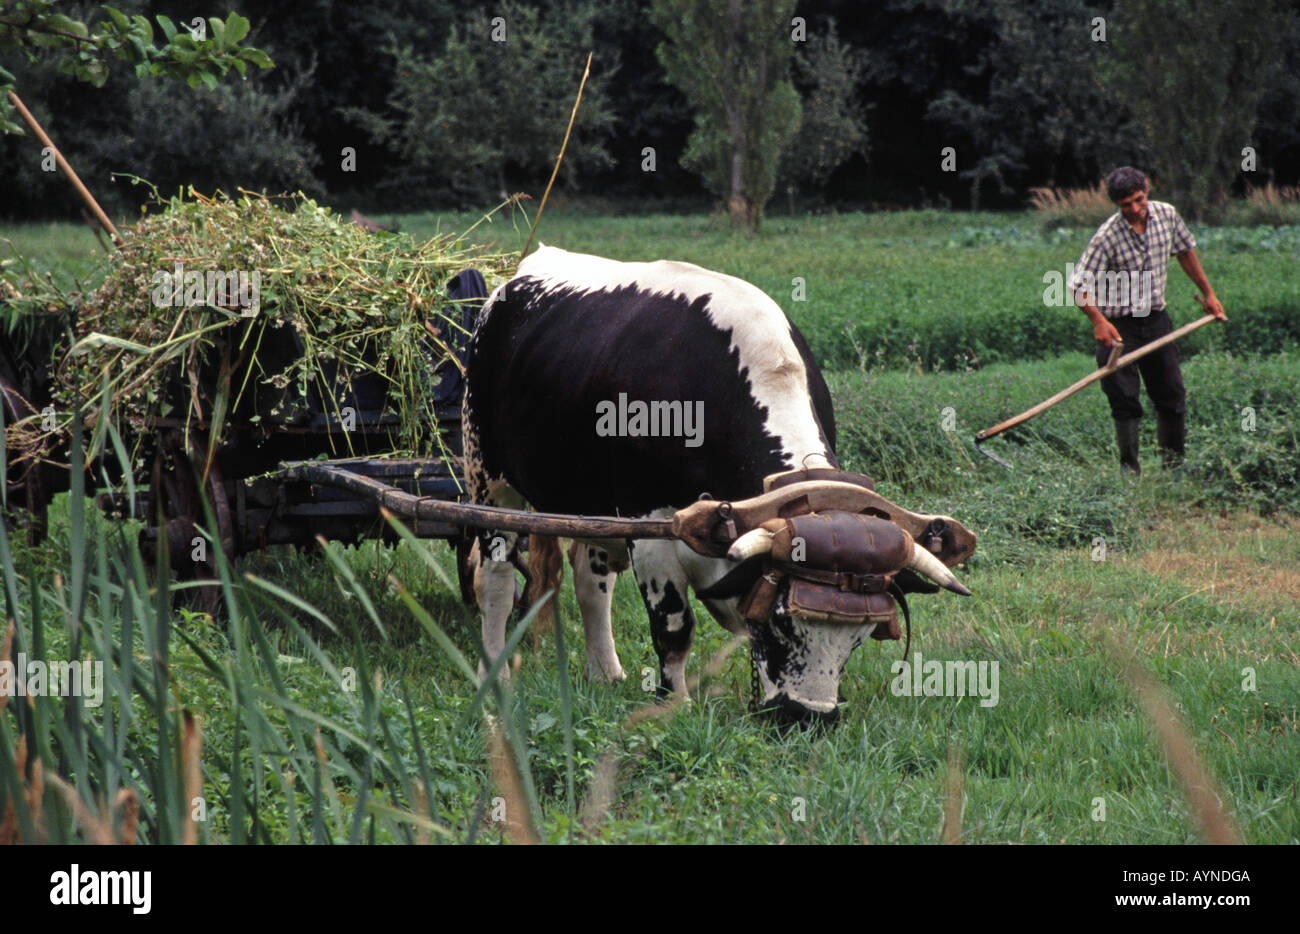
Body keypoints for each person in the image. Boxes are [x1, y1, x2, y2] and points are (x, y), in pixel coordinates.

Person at [1069, 166, 1227, 475]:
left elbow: (1185, 251)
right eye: (1126, 205)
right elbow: (1077, 286)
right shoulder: (1107, 237)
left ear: (1147, 190)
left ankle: (1173, 470)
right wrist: (1098, 322)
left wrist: (1208, 293)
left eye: (1139, 200)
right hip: (1119, 327)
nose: (1135, 209)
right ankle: (1130, 473)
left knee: (1171, 394)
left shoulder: (1166, 216)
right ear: (1117, 204)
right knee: (1124, 400)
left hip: (1156, 321)